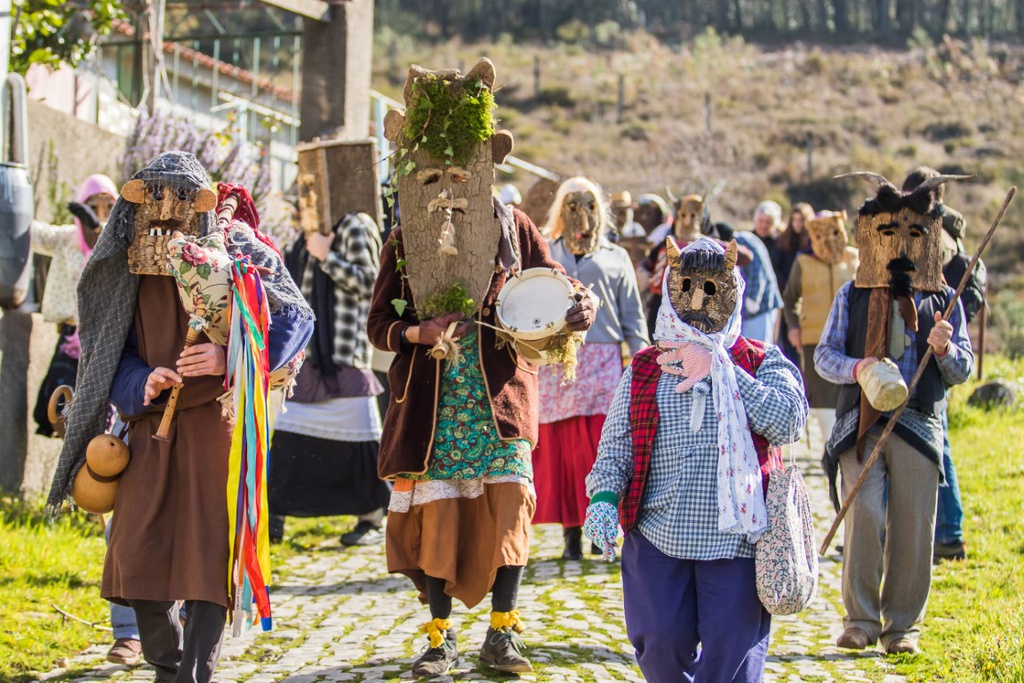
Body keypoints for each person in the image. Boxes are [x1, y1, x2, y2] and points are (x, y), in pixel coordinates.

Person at [45, 152, 313, 683]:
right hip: (148, 427)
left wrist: (228, 356)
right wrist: (140, 380)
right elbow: (108, 353)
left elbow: (296, 317)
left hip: (217, 424)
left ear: (201, 202)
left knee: (209, 561)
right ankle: (167, 665)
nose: (167, 210)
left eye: (181, 198)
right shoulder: (122, 260)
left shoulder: (237, 245)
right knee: (136, 556)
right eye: (155, 198)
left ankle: (193, 674)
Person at [370, 58, 598, 678]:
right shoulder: (405, 239)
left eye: (463, 169)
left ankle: (502, 634)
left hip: (501, 399)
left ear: (485, 165)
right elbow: (378, 325)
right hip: (434, 406)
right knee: (439, 518)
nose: (451, 181)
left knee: (510, 504)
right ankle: (439, 638)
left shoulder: (514, 227)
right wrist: (418, 331)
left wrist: (578, 308)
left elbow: (554, 288)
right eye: (436, 171)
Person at [585, 236, 807, 683]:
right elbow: (617, 444)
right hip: (658, 534)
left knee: (732, 650)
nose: (700, 301)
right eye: (688, 287)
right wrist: (604, 498)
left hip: (737, 539)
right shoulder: (646, 367)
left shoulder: (761, 360)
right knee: (660, 643)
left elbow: (788, 422)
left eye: (711, 288)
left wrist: (722, 370)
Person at [816, 172, 973, 655]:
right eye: (889, 231)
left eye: (914, 233)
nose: (901, 243)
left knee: (913, 525)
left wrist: (944, 349)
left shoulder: (944, 298)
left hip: (919, 424)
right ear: (872, 235)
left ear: (930, 238)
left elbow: (963, 368)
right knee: (863, 514)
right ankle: (860, 621)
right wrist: (859, 368)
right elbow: (824, 356)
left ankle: (902, 628)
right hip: (861, 425)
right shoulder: (852, 294)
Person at [533, 177, 649, 560]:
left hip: (603, 362)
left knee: (602, 447)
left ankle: (601, 528)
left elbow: (633, 317)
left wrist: (644, 361)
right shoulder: (547, 252)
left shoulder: (616, 257)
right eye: (572, 206)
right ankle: (570, 534)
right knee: (564, 451)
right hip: (558, 364)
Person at [268, 211, 391, 546]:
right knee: (289, 440)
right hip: (309, 357)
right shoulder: (307, 231)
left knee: (362, 445)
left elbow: (371, 284)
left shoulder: (355, 224)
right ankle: (274, 519)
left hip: (344, 354)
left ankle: (372, 519)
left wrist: (327, 256)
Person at [902, 166, 987, 563]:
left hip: (939, 340)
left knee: (939, 443)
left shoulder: (937, 234)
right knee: (938, 441)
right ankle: (945, 532)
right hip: (930, 341)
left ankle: (950, 532)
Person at [31, 175, 118, 437]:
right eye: (93, 206)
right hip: (72, 336)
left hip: (105, 337)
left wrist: (99, 228)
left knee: (99, 410)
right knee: (61, 404)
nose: (101, 212)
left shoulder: (117, 241)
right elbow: (34, 233)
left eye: (109, 206)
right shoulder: (67, 238)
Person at [782, 210, 858, 442]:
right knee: (822, 396)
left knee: (848, 391)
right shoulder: (803, 261)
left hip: (851, 338)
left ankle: (845, 442)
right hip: (814, 338)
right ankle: (829, 444)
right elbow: (789, 298)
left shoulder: (854, 258)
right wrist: (793, 327)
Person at [775, 202, 814, 365]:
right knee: (787, 341)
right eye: (794, 220)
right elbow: (776, 267)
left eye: (801, 220)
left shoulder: (812, 242)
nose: (797, 224)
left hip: (807, 298)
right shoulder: (783, 241)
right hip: (787, 296)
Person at [734, 221, 782, 344]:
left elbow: (757, 271)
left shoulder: (741, 242)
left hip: (761, 306)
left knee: (758, 348)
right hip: (762, 306)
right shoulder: (747, 237)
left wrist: (753, 299)